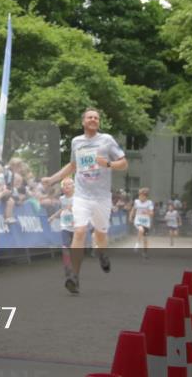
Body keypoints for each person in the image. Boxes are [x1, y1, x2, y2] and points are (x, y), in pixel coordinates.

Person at [41, 108, 128, 294]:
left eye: (96, 117)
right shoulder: (76, 142)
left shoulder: (107, 140)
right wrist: (52, 179)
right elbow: (72, 166)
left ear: (99, 122)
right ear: (83, 122)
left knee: (100, 234)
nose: (93, 119)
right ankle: (74, 277)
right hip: (81, 196)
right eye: (90, 117)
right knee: (79, 231)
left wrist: (108, 164)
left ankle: (103, 254)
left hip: (102, 197)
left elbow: (124, 163)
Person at [47, 177, 77, 280]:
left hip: (76, 227)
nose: (66, 187)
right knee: (65, 247)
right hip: (65, 225)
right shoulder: (62, 199)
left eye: (69, 184)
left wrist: (73, 209)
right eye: (64, 185)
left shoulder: (78, 198)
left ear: (73, 186)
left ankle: (74, 266)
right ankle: (67, 266)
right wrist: (53, 216)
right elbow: (62, 209)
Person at [129, 187, 153, 258]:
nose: (140, 197)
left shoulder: (149, 203)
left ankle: (145, 253)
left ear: (145, 196)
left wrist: (147, 212)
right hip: (138, 220)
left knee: (145, 239)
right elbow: (133, 210)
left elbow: (152, 213)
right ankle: (137, 244)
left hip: (146, 222)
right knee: (140, 230)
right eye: (139, 195)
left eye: (142, 196)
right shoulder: (136, 201)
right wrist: (130, 216)